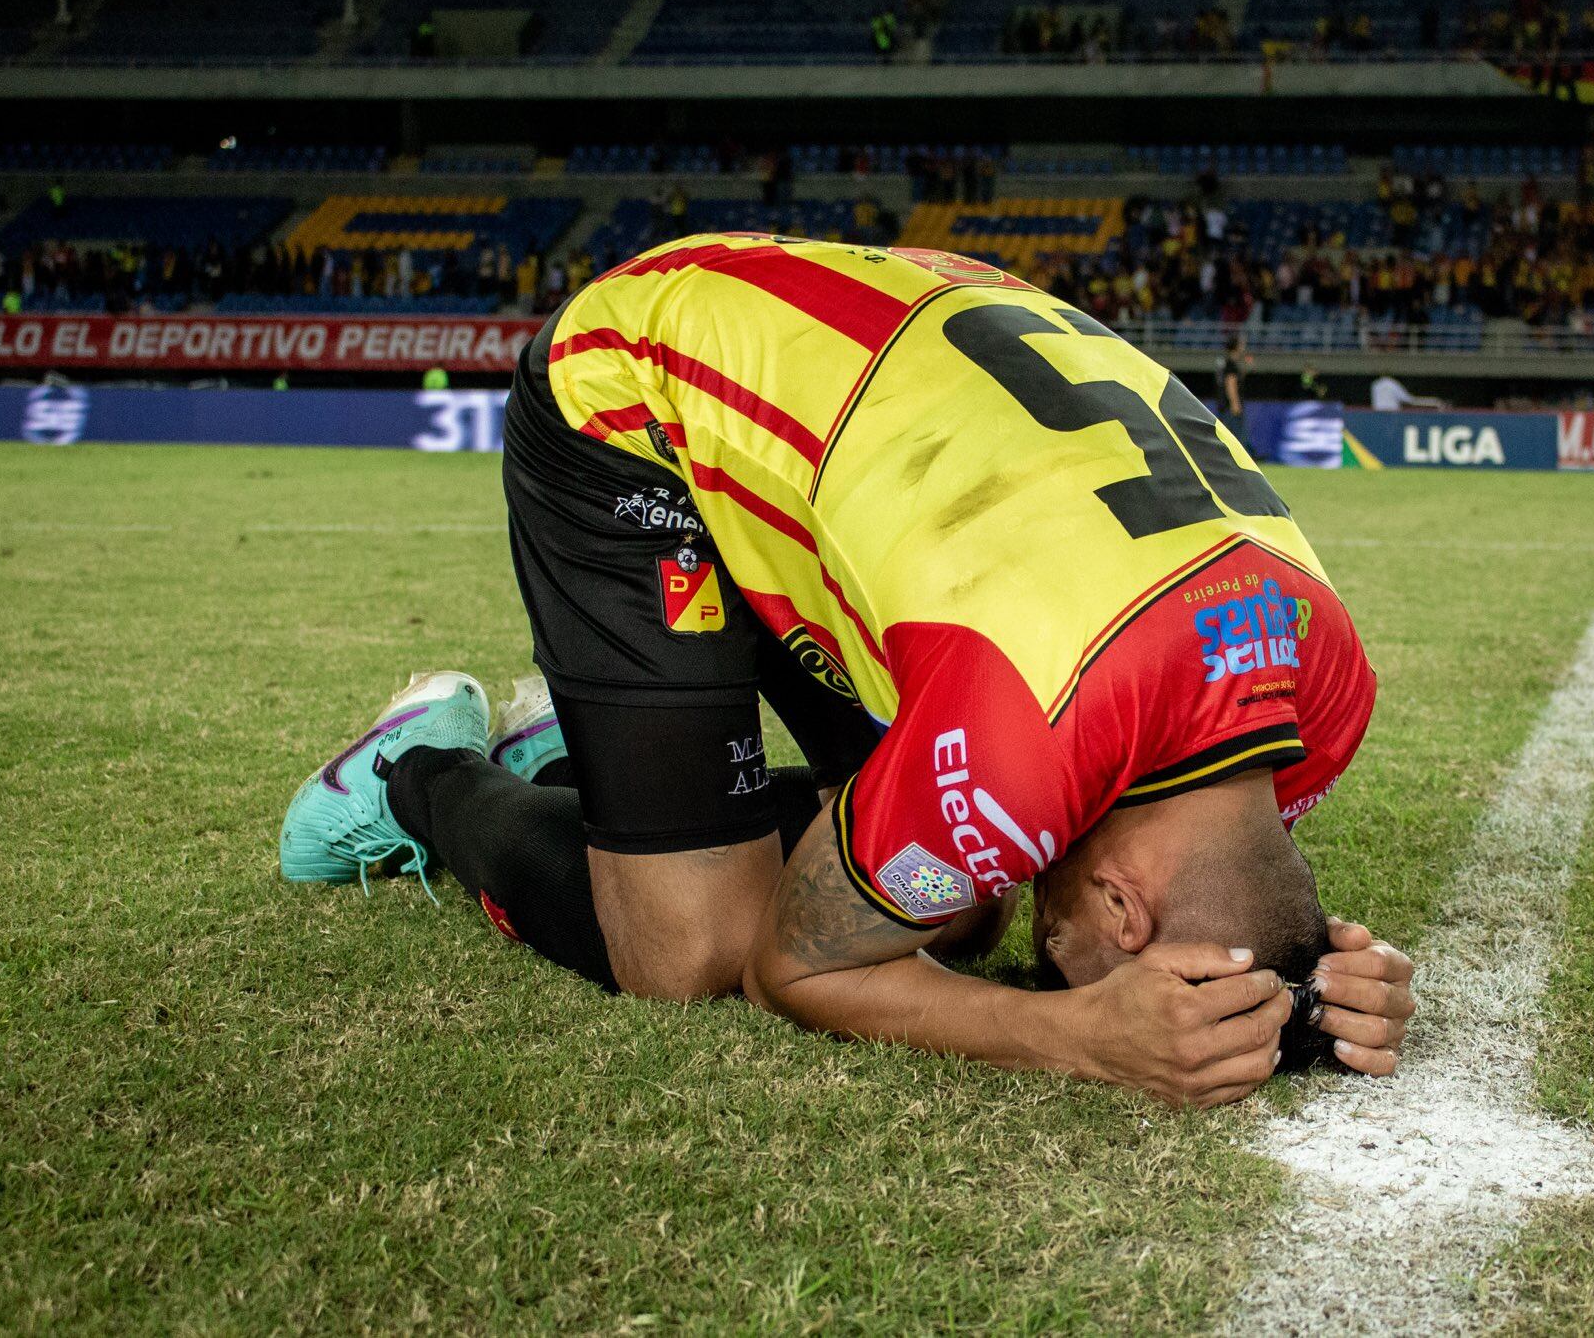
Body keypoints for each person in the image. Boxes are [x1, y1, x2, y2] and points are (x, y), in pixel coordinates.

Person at [280, 235, 1414, 1106]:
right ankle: (414, 771)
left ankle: (606, 768)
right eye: (1073, 962)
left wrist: (1311, 986)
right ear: (1120, 910)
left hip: (888, 410)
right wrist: (1067, 1033)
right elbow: (790, 971)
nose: (1051, 956)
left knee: (939, 915)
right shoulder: (1023, 739)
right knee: (691, 952)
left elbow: (1229, 869)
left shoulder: (1325, 696)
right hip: (643, 391)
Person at [1217, 335, 1249, 439]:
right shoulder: (1231, 364)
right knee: (1237, 439)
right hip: (1230, 408)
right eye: (1241, 344)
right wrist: (1235, 404)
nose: (1243, 347)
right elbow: (1231, 384)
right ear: (1236, 346)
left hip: (1225, 406)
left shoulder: (1226, 363)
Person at [1369, 373, 1442, 411]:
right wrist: (1432, 402)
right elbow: (1407, 399)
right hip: (1391, 414)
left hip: (1378, 413)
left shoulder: (1375, 384)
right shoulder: (1392, 383)